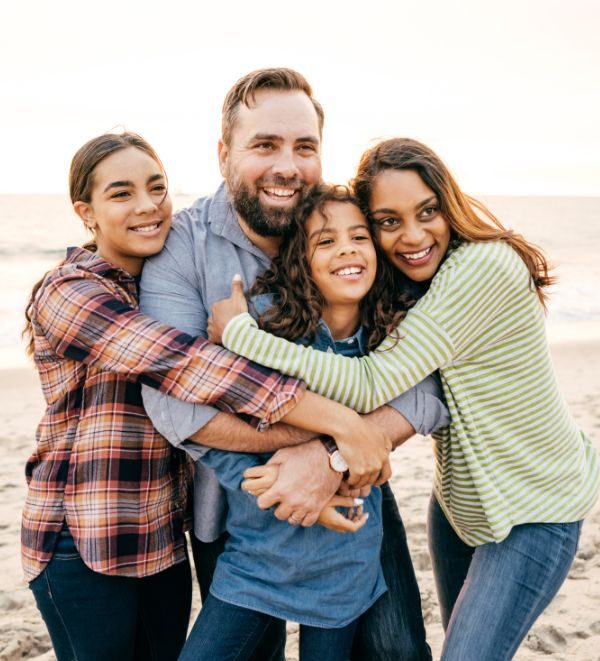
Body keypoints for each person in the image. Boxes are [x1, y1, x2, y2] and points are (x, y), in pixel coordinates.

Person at [210, 137, 600, 661]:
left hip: (536, 508)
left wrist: (241, 334)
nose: (413, 235)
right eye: (389, 222)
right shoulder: (419, 281)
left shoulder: (481, 268)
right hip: (461, 507)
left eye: (428, 212)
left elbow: (372, 383)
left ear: (449, 204)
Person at [21, 131, 391, 661]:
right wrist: (343, 423)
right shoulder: (70, 292)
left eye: (157, 187)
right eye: (121, 194)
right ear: (87, 212)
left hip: (163, 537)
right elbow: (188, 365)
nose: (148, 206)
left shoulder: (157, 277)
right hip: (84, 539)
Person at [141, 69, 443, 660]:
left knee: (398, 652)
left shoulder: (348, 224)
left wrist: (331, 457)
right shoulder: (185, 245)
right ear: (224, 152)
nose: (288, 165)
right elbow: (173, 400)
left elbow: (425, 380)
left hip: (354, 500)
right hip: (237, 514)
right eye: (265, 145)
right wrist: (338, 426)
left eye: (304, 147)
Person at [182, 184, 448, 660]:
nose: (345, 248)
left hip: (345, 559)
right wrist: (269, 486)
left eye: (359, 236)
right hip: (258, 557)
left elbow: (424, 402)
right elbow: (213, 432)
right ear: (299, 260)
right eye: (325, 241)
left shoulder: (392, 339)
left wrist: (336, 468)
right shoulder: (264, 325)